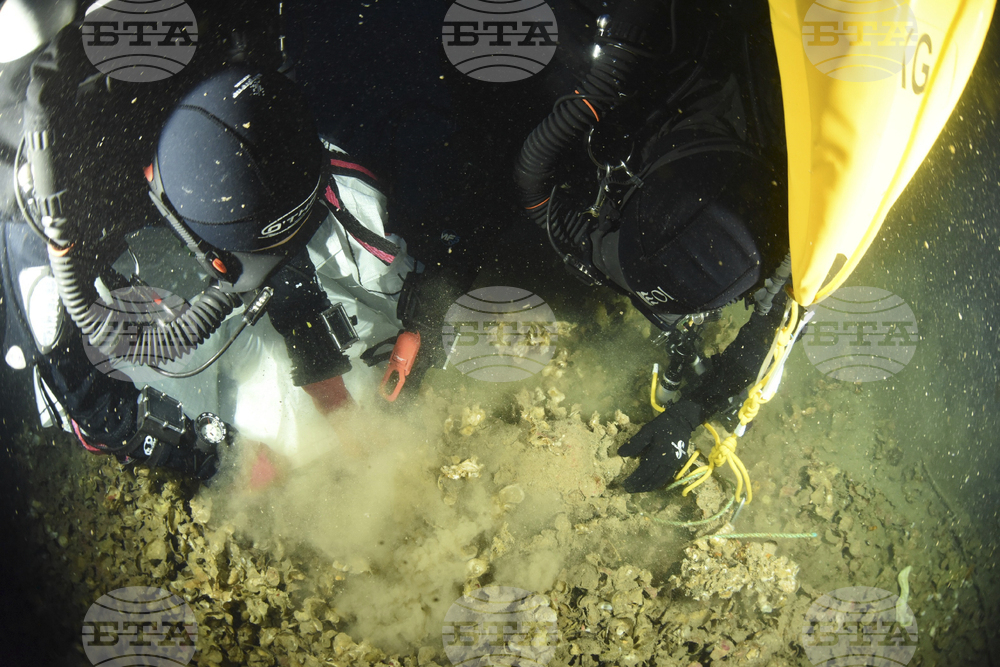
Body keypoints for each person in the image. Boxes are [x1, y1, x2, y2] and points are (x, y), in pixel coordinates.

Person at [0, 1, 447, 483]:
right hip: (87, 204)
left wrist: (330, 389)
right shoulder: (45, 222)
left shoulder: (233, 36)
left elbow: (277, 227)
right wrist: (216, 458)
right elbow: (87, 405)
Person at [515, 0, 794, 493]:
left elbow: (772, 338)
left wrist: (691, 411)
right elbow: (542, 191)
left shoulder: (814, 232)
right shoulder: (637, 53)